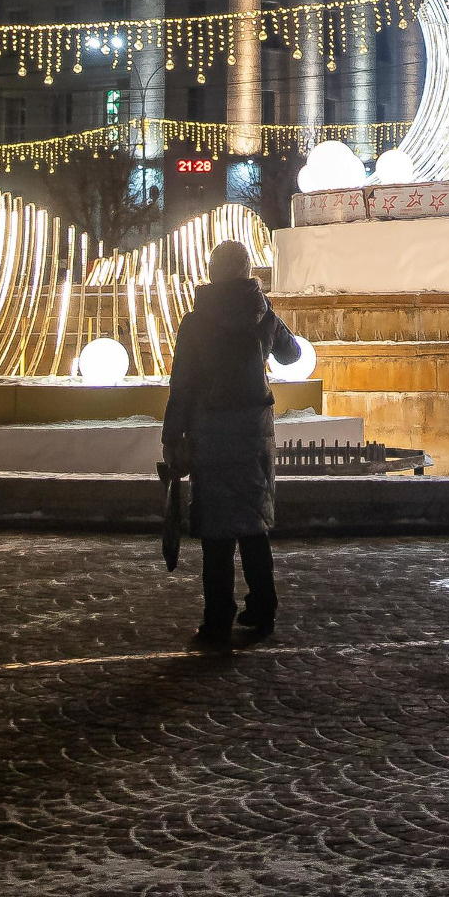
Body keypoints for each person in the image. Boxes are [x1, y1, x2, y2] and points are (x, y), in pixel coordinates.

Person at [162, 238, 302, 644]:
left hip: (211, 429)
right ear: (246, 271)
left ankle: (217, 616)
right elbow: (292, 354)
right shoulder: (261, 314)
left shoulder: (196, 321)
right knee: (253, 518)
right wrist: (269, 319)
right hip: (254, 429)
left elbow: (182, 385)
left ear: (211, 270)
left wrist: (173, 436)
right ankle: (263, 606)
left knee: (216, 528)